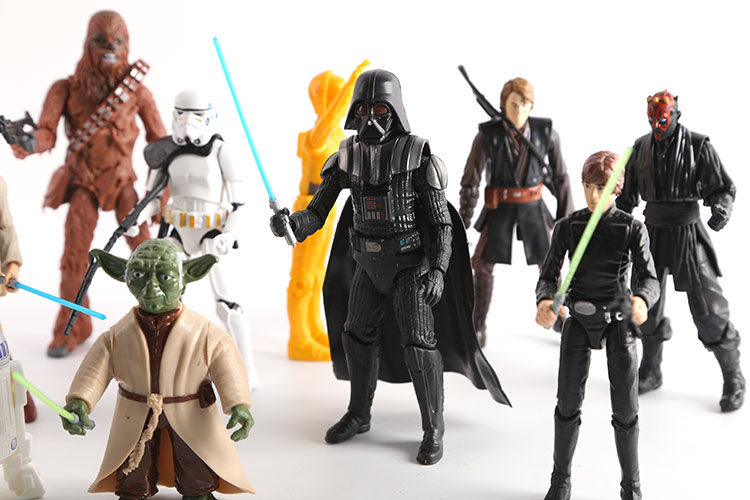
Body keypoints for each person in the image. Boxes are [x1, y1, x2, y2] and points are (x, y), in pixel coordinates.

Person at [271, 69, 509, 465]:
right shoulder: (346, 156)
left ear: (395, 109)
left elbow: (441, 223)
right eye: (363, 109)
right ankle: (359, 414)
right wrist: (291, 224)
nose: (370, 119)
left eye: (380, 109)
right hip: (366, 265)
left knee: (419, 343)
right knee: (356, 336)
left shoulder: (418, 155)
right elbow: (317, 213)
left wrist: (438, 270)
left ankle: (433, 428)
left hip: (410, 265)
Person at [10, 11, 165, 357]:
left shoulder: (138, 93)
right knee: (74, 257)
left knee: (146, 255)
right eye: (101, 41)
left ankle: (163, 322)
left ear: (126, 46)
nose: (110, 47)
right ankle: (73, 325)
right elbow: (47, 132)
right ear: (87, 44)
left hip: (123, 183)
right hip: (84, 182)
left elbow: (160, 143)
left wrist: (162, 190)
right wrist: (30, 142)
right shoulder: (65, 89)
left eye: (117, 41)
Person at [61, 239, 254, 500]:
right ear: (123, 276)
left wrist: (238, 404)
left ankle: (198, 492)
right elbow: (95, 370)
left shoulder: (205, 334)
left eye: (165, 277)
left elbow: (227, 365)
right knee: (134, 459)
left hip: (189, 410)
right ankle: (134, 491)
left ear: (186, 278)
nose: (151, 288)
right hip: (136, 410)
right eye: (139, 276)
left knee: (194, 455)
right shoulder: (117, 336)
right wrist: (79, 401)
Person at [536, 151, 660, 500]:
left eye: (601, 188)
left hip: (618, 320)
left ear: (616, 189)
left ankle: (631, 486)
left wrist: (642, 299)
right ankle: (560, 480)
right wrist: (545, 301)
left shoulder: (632, 228)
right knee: (567, 404)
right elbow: (548, 275)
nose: (592, 195)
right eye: (587, 186)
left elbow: (650, 278)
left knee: (626, 409)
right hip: (578, 317)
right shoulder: (567, 227)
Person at [616, 90, 744, 412]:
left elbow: (723, 188)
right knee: (644, 304)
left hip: (688, 232)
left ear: (675, 115)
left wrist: (721, 209)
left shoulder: (699, 146)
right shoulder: (639, 148)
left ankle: (733, 375)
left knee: (709, 308)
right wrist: (613, 225)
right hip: (652, 232)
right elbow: (626, 199)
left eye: (663, 119)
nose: (657, 126)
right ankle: (651, 369)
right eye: (652, 120)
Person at [137, 89, 258, 388]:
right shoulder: (167, 151)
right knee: (166, 301)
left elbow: (240, 203)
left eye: (196, 115)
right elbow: (152, 198)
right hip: (176, 232)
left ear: (209, 116)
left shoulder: (221, 151)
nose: (187, 121)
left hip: (211, 234)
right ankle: (164, 372)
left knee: (227, 303)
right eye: (181, 114)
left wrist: (229, 234)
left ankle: (245, 370)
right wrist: (136, 218)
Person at [460, 77, 572, 345]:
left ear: (532, 105)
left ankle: (559, 317)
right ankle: (478, 325)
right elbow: (471, 179)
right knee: (482, 266)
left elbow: (561, 178)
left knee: (551, 263)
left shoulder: (546, 133)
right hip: (499, 207)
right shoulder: (488, 135)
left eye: (524, 104)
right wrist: (463, 217)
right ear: (503, 105)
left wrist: (568, 220)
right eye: (513, 105)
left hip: (533, 207)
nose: (519, 110)